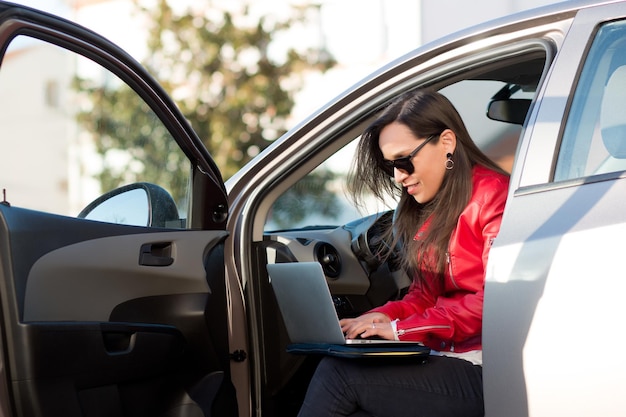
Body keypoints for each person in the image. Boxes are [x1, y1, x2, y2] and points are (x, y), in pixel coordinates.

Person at [297, 89, 510, 417]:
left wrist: (399, 331)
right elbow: (424, 296)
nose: (398, 177)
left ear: (447, 142)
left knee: (338, 375)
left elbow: (493, 303)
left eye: (404, 161)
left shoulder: (494, 197)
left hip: (488, 367)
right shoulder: (427, 207)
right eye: (391, 166)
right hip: (442, 355)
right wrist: (381, 317)